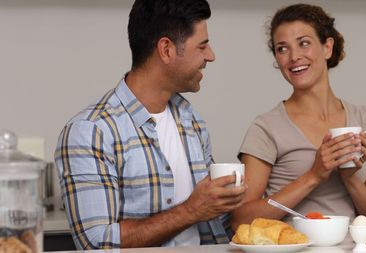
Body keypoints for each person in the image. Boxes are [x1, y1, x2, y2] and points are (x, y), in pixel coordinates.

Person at [54, 0, 246, 249]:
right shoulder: (91, 132)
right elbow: (96, 242)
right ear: (166, 49)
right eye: (202, 45)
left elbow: (215, 221)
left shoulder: (191, 121)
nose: (211, 55)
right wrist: (190, 211)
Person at [231, 3, 366, 229]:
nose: (294, 56)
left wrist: (349, 178)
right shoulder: (266, 127)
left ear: (327, 47)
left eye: (304, 43)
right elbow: (241, 221)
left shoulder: (364, 120)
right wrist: (314, 175)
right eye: (282, 49)